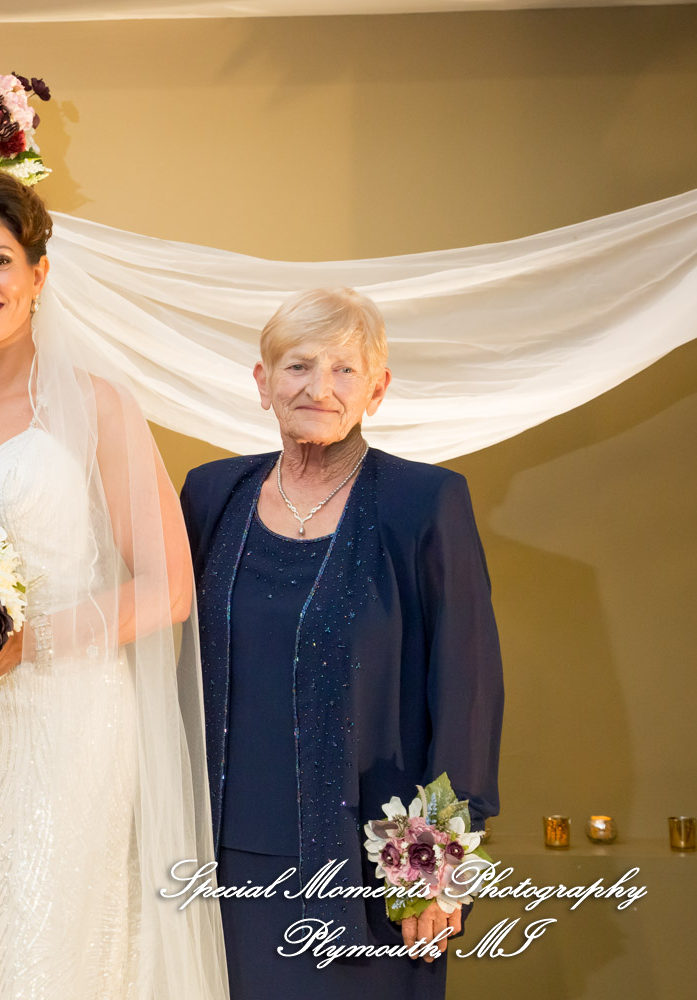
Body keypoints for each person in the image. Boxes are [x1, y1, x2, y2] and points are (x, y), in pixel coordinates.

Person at [0, 168, 229, 999]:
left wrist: (24, 642)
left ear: (39, 274)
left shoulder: (97, 406)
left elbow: (168, 587)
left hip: (63, 728)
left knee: (48, 961)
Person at [180, 287, 505, 998]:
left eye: (344, 370)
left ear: (377, 389)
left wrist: (436, 866)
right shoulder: (210, 496)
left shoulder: (426, 503)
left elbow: (466, 689)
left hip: (372, 868)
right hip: (221, 862)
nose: (319, 388)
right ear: (262, 384)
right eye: (297, 367)